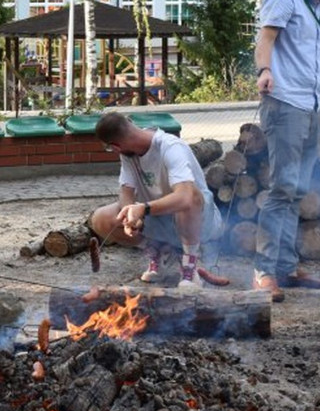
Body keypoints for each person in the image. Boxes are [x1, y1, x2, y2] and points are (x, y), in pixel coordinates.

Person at [251, 0, 320, 302]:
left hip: (311, 105)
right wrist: (265, 71)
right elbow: (265, 39)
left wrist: (317, 74)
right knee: (282, 188)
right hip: (284, 103)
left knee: (298, 189)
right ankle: (263, 271)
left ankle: (286, 267)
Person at [86, 113, 224, 289]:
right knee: (101, 218)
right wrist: (131, 217)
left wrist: (143, 209)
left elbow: (185, 197)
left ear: (115, 146)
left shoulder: (170, 147)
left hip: (200, 222)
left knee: (189, 197)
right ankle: (158, 251)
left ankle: (190, 267)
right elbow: (126, 191)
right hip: (159, 218)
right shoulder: (128, 154)